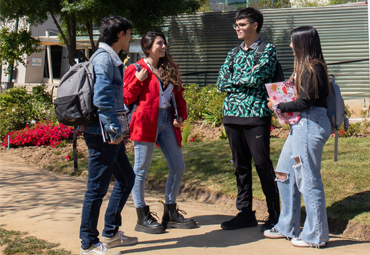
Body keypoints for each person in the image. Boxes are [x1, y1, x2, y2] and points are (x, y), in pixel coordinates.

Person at [123, 31, 196, 234]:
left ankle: (170, 212)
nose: (164, 47)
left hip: (166, 122)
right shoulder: (136, 68)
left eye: (164, 43)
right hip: (145, 122)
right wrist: (138, 80)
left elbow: (179, 97)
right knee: (141, 169)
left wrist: (181, 115)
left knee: (178, 166)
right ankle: (141, 215)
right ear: (147, 48)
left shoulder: (170, 69)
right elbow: (127, 97)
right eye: (159, 44)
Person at [264, 26, 331, 248]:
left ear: (303, 43)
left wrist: (278, 105)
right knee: (284, 172)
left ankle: (316, 236)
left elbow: (305, 102)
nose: (291, 46)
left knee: (308, 180)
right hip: (302, 125)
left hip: (310, 124)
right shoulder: (306, 68)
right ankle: (287, 226)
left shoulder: (312, 68)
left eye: (294, 42)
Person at [216, 7, 280, 232]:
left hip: (255, 116)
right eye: (236, 24)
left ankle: (275, 215)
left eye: (242, 24)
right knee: (240, 166)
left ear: (255, 25)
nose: (237, 28)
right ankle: (245, 213)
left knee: (263, 164)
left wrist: (236, 79)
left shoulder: (267, 49)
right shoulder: (233, 53)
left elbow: (259, 77)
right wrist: (242, 78)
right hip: (232, 116)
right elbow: (220, 82)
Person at [79, 15, 137, 255]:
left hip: (108, 134)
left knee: (127, 179)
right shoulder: (104, 59)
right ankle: (88, 242)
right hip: (102, 134)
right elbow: (102, 98)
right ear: (120, 35)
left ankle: (111, 232)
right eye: (129, 33)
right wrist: (114, 132)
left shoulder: (109, 58)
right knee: (96, 189)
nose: (131, 37)